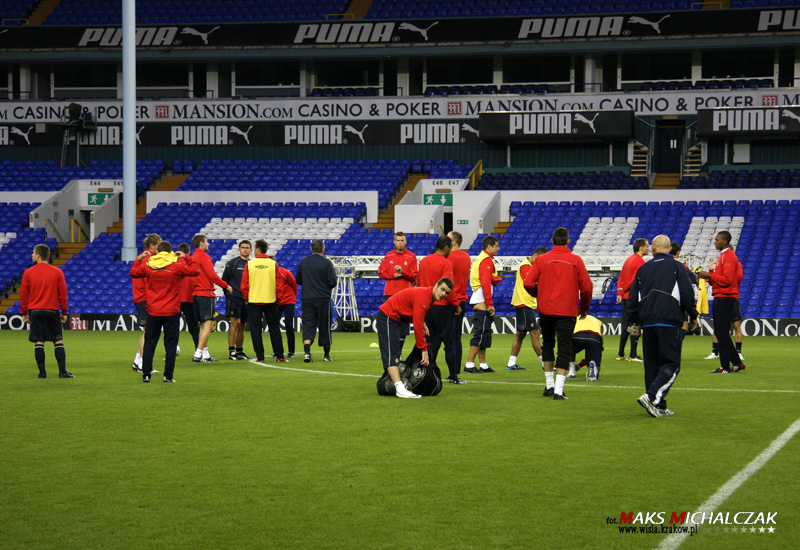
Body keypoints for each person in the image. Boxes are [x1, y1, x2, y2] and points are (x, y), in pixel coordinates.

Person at [627, 235, 699, 417]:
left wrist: (634, 322)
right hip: (669, 320)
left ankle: (658, 405)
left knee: (652, 365)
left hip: (647, 322)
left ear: (653, 248)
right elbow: (687, 293)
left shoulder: (643, 269)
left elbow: (633, 298)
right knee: (672, 364)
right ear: (669, 249)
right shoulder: (677, 266)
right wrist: (693, 315)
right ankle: (651, 397)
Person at [524, 227, 592, 400]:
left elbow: (528, 283)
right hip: (567, 311)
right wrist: (584, 307)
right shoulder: (575, 260)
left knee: (547, 344)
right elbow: (587, 287)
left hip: (546, 309)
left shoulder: (542, 259)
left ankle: (549, 386)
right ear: (568, 241)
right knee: (564, 347)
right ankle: (559, 390)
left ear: (552, 241)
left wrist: (539, 294)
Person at [130, 241, 199, 383]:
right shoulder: (176, 266)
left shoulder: (148, 265)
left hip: (153, 311)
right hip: (171, 311)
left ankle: (146, 375)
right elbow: (195, 270)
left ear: (158, 251)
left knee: (150, 343)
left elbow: (133, 273)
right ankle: (168, 376)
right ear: (170, 252)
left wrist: (139, 258)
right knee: (171, 345)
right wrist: (186, 257)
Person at [377, 278, 454, 398]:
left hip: (395, 319)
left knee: (395, 352)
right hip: (388, 317)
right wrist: (424, 349)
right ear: (436, 286)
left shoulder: (429, 296)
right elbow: (417, 327)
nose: (443, 294)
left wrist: (423, 324)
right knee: (392, 353)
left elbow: (416, 313)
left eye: (446, 292)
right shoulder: (425, 297)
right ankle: (400, 389)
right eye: (442, 289)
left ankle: (398, 386)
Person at [20, 244, 73, 379]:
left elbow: (24, 294)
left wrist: (24, 313)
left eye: (33, 253)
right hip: (51, 311)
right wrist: (64, 312)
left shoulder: (28, 272)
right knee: (58, 341)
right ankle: (62, 372)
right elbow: (63, 294)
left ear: (38, 256)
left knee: (39, 341)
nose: (32, 255)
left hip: (35, 311)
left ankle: (42, 373)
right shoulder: (57, 272)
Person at [697, 231, 746, 373]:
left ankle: (725, 366)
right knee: (720, 331)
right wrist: (709, 276)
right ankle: (736, 363)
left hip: (725, 296)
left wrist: (709, 275)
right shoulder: (723, 256)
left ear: (725, 241)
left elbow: (728, 280)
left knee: (721, 332)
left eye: (717, 240)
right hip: (722, 295)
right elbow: (718, 280)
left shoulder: (728, 255)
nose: (715, 242)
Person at [417, 234, 463, 384]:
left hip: (427, 306)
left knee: (431, 342)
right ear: (446, 247)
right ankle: (453, 377)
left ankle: (427, 375)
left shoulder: (424, 261)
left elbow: (419, 284)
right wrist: (456, 304)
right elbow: (448, 287)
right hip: (442, 308)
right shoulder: (445, 263)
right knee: (450, 344)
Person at [240, 240, 286, 363]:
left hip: (254, 301)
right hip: (270, 300)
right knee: (274, 328)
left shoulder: (250, 264)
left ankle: (260, 357)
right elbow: (279, 283)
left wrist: (246, 298)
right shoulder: (273, 264)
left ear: (257, 249)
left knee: (256, 330)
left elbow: (244, 284)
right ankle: (280, 356)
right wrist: (278, 298)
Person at [464, 235, 502, 374]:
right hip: (481, 300)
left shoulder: (481, 259)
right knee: (480, 334)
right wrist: (490, 304)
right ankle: (469, 364)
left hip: (479, 298)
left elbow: (484, 278)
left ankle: (483, 364)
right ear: (489, 247)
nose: (498, 248)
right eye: (496, 246)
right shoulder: (486, 260)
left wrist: (493, 279)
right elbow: (485, 283)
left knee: (485, 334)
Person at [191, 234, 231, 363]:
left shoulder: (192, 257)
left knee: (203, 325)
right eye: (207, 241)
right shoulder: (204, 257)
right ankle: (198, 353)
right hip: (205, 293)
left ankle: (205, 354)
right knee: (208, 324)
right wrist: (226, 285)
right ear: (201, 243)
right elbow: (211, 275)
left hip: (195, 294)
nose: (208, 244)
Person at [295, 240, 337, 363]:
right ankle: (326, 355)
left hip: (307, 299)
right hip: (323, 299)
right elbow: (333, 282)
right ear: (323, 250)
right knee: (325, 326)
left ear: (311, 250)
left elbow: (298, 280)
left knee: (308, 325)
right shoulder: (327, 263)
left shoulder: (304, 262)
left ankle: (307, 353)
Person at [507, 246, 546, 371]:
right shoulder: (526, 266)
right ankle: (545, 363)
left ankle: (511, 363)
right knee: (535, 333)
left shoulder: (529, 266)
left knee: (521, 334)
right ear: (535, 256)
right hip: (524, 303)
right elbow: (530, 283)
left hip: (524, 303)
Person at [378, 231, 418, 352]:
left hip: (405, 295)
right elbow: (381, 273)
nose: (400, 243)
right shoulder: (388, 255)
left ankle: (398, 352)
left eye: (402, 241)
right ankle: (389, 351)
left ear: (405, 242)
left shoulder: (411, 256)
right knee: (388, 322)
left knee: (403, 324)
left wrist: (402, 272)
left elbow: (414, 276)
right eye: (398, 240)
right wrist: (393, 275)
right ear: (394, 242)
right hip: (390, 294)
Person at [615, 238, 649, 362]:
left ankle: (620, 354)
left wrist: (620, 291)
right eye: (647, 246)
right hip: (633, 297)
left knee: (625, 325)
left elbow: (621, 277)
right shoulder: (640, 262)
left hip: (625, 297)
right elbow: (634, 280)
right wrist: (625, 289)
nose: (649, 248)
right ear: (641, 248)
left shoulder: (628, 260)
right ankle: (633, 355)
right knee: (635, 324)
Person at [131, 233, 161, 373]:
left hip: (140, 297)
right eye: (158, 246)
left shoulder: (141, 258)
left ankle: (138, 361)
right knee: (149, 333)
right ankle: (143, 364)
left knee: (146, 332)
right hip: (145, 298)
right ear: (152, 246)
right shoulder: (149, 259)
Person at [447, 231, 471, 382]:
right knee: (457, 337)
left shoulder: (450, 257)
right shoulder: (466, 257)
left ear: (453, 242)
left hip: (451, 300)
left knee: (444, 337)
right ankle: (455, 370)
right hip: (462, 299)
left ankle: (450, 371)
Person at [221, 240, 251, 360]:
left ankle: (240, 351)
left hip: (247, 299)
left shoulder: (252, 264)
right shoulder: (233, 263)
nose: (245, 249)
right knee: (235, 323)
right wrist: (228, 295)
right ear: (239, 249)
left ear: (251, 250)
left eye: (247, 248)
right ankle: (231, 351)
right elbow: (224, 280)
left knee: (243, 325)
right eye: (243, 247)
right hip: (234, 298)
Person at [669, 242, 699, 342]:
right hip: (679, 299)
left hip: (664, 300)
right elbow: (691, 279)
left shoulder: (662, 263)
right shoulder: (681, 265)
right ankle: (676, 346)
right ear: (678, 252)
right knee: (684, 326)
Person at [178, 243, 200, 351]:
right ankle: (198, 350)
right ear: (189, 252)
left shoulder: (174, 263)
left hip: (176, 299)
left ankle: (171, 351)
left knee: (172, 326)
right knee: (194, 326)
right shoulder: (192, 264)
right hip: (189, 298)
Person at [570, 314, 604, 382]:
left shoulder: (576, 318)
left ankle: (571, 371)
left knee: (570, 349)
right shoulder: (597, 320)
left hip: (577, 336)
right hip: (594, 338)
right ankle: (593, 374)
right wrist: (581, 364)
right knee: (595, 355)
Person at [276, 262, 298, 358]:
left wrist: (292, 297)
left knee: (288, 325)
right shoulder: (268, 274)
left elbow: (294, 285)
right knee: (274, 326)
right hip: (277, 301)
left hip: (289, 300)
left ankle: (291, 351)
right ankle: (277, 350)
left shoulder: (285, 273)